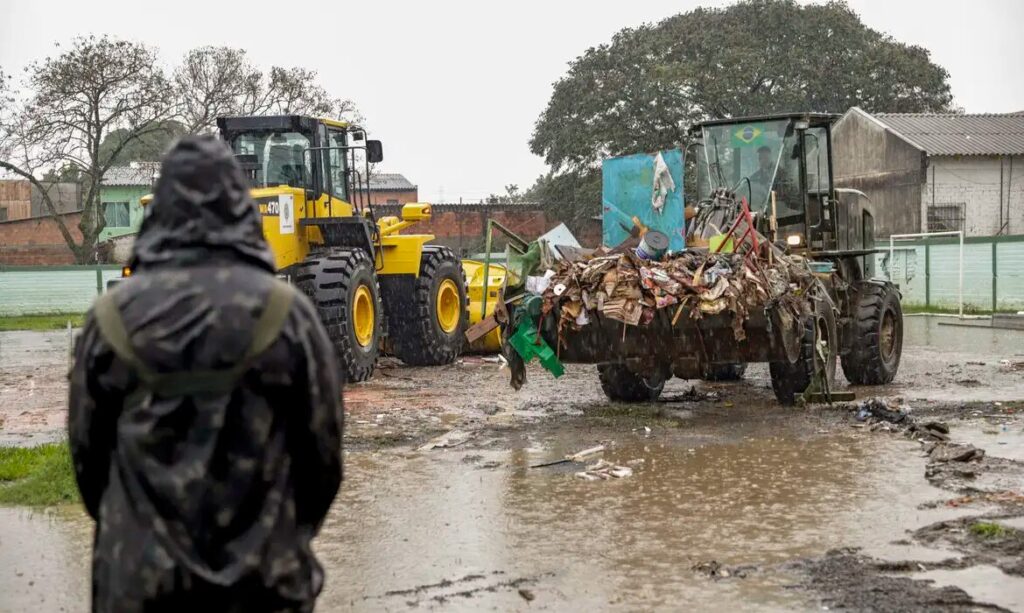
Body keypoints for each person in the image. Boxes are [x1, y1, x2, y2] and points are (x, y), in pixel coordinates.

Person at [68, 136, 343, 613]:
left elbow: (89, 462)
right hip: (264, 587)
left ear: (160, 210)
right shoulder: (286, 314)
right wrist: (282, 535)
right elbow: (322, 457)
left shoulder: (109, 319)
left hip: (139, 589)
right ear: (241, 207)